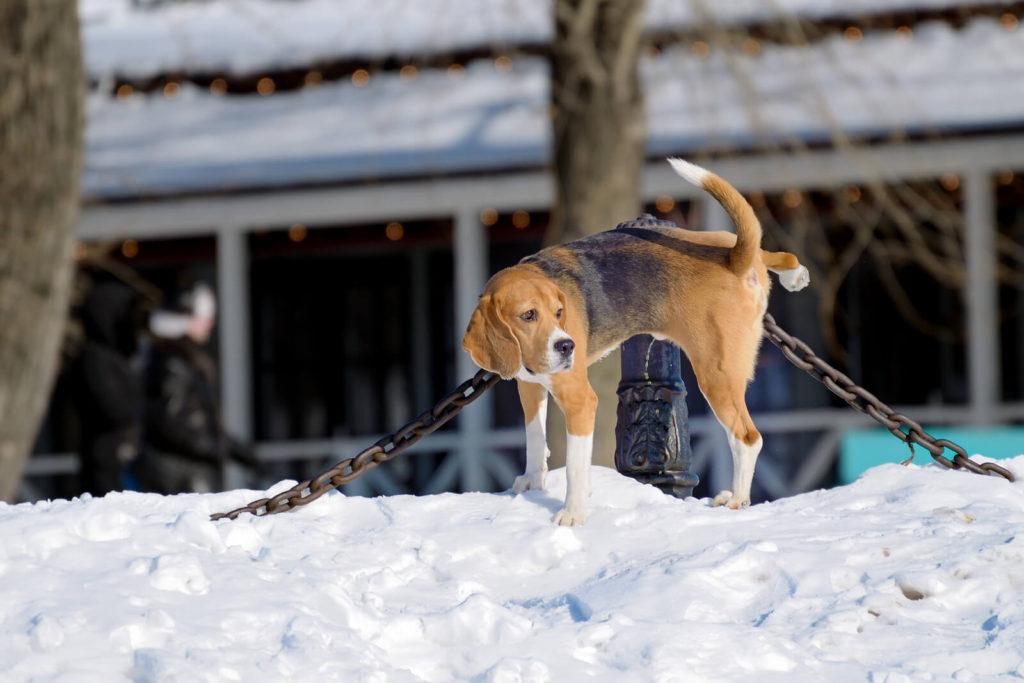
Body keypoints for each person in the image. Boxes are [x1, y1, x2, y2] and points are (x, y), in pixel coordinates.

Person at [137, 281, 258, 494]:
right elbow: (172, 422)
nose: (210, 323)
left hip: (190, 473)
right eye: (204, 318)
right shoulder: (171, 362)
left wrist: (237, 451)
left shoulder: (186, 361)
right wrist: (219, 448)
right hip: (180, 479)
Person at [70, 280, 147, 495]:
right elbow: (116, 409)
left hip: (125, 464)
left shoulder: (118, 359)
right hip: (107, 466)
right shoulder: (94, 358)